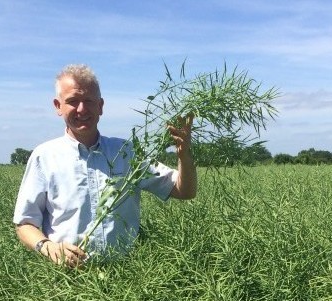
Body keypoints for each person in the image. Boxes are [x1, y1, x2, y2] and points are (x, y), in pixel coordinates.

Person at [13, 64, 197, 267]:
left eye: (89, 101)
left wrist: (184, 154)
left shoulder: (127, 152)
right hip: (66, 278)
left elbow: (184, 190)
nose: (81, 109)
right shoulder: (44, 156)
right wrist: (48, 247)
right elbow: (25, 223)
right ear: (58, 106)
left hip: (127, 277)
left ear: (100, 106)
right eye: (72, 101)